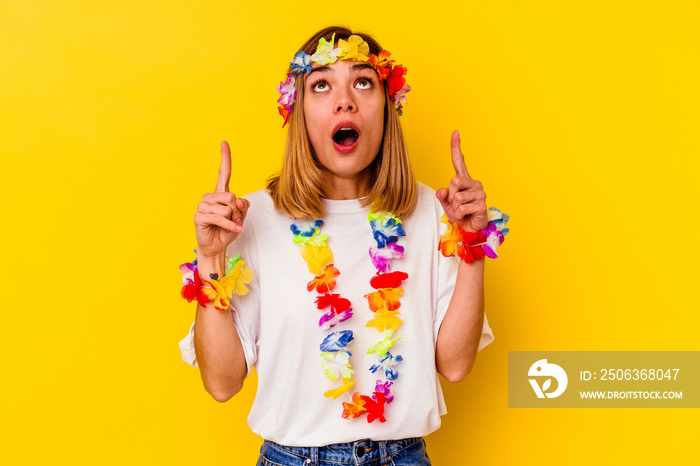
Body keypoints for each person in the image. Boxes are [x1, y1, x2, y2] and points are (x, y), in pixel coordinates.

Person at [179, 26, 505, 466]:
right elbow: (222, 384)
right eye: (321, 84)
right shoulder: (247, 219)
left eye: (363, 81)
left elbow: (455, 364)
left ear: (387, 108)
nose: (345, 99)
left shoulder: (434, 211)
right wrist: (210, 258)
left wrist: (472, 245)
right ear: (299, 113)